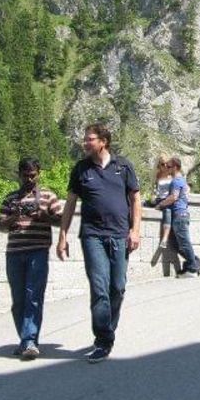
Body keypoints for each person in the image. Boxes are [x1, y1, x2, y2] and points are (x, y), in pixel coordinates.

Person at [57, 124, 141, 363]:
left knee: (118, 287)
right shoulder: (81, 169)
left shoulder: (123, 166)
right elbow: (71, 203)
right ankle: (103, 340)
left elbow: (135, 199)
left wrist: (135, 231)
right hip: (92, 236)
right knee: (99, 288)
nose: (85, 143)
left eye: (90, 139)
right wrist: (63, 235)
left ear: (103, 141)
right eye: (85, 139)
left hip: (120, 236)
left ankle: (108, 330)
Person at [0, 158, 62, 360]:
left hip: (38, 251)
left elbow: (61, 220)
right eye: (25, 175)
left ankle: (30, 341)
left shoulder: (48, 196)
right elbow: (0, 224)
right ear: (19, 174)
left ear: (39, 173)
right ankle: (26, 340)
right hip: (14, 252)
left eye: (33, 175)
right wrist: (14, 217)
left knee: (33, 296)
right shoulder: (10, 199)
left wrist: (44, 216)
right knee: (18, 300)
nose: (29, 179)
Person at [154, 157, 200, 278]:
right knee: (176, 244)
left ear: (175, 167)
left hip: (179, 215)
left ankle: (192, 269)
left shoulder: (176, 181)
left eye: (169, 166)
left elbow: (173, 197)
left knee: (184, 243)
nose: (167, 168)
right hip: (182, 215)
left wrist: (160, 205)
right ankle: (195, 263)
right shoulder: (182, 181)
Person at [150, 156, 175, 249]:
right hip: (159, 199)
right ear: (159, 165)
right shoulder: (157, 175)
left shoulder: (172, 176)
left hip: (168, 199)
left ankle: (165, 237)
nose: (165, 166)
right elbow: (154, 190)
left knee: (168, 210)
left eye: (166, 164)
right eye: (162, 164)